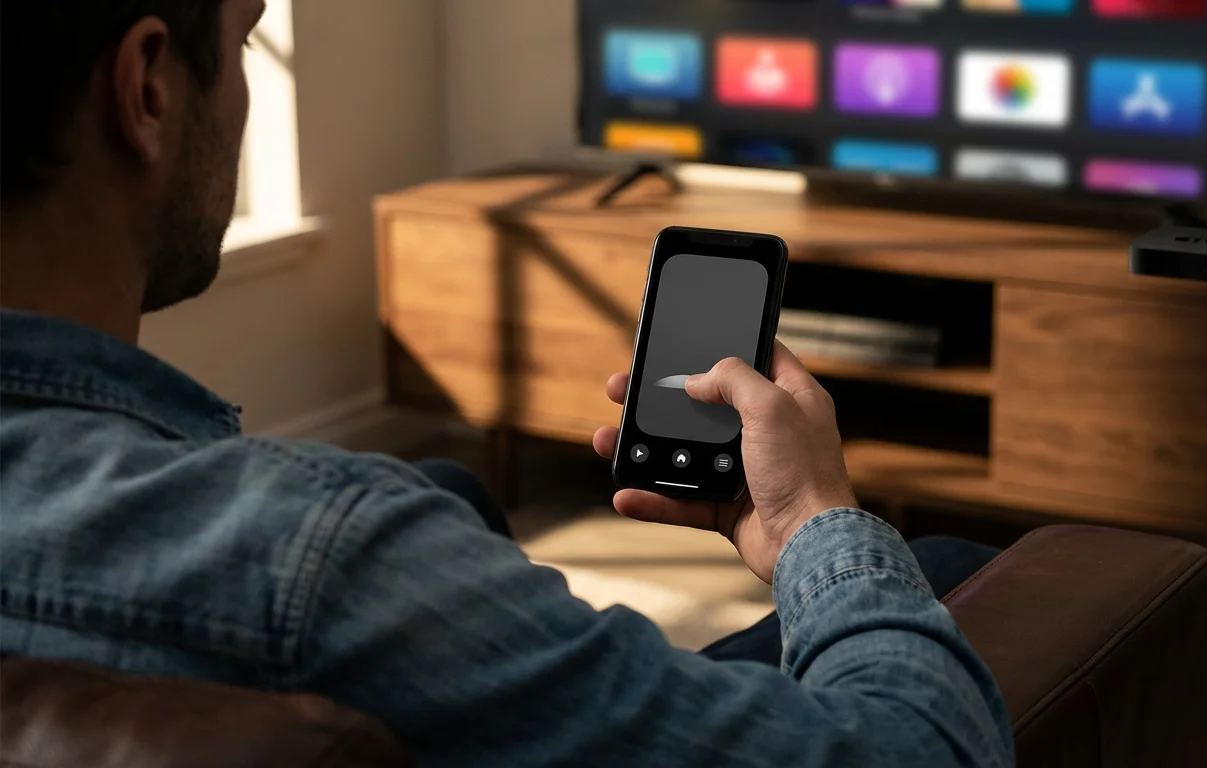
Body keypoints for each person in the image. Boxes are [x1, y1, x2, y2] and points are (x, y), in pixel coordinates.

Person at [0, 1, 1014, 766]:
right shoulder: (326, 555)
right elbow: (923, 748)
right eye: (247, 36)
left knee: (448, 491)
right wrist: (811, 521)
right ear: (146, 89)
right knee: (952, 566)